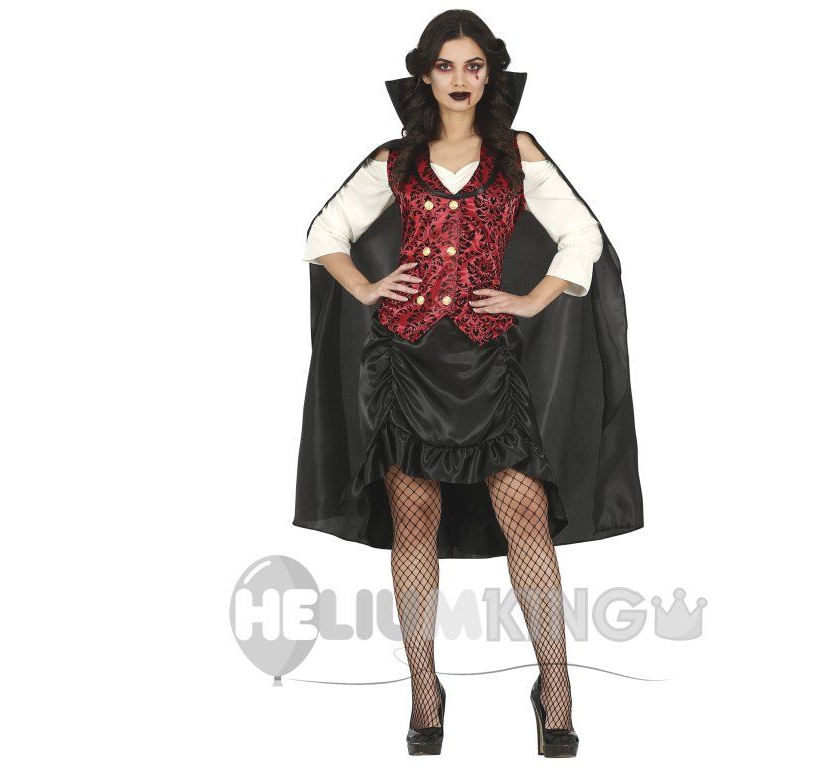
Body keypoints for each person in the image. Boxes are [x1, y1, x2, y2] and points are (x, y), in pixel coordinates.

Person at [294, 10, 644, 757]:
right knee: (413, 523)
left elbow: (582, 235)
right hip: (408, 365)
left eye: (474, 66)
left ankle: (556, 691)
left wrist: (533, 299)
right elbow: (324, 236)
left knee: (526, 519)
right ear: (426, 74)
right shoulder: (395, 159)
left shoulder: (516, 152)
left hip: (489, 364)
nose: (460, 79)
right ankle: (425, 693)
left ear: (490, 75)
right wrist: (368, 288)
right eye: (447, 66)